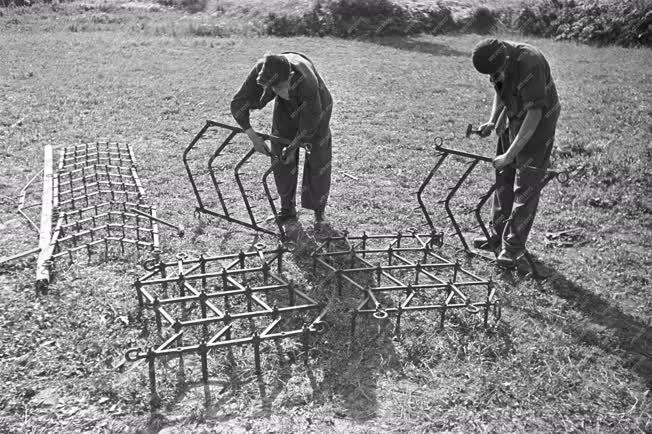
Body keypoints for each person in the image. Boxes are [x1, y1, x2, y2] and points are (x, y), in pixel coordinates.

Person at [471, 38, 561, 267]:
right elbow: (500, 88)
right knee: (504, 177)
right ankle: (497, 235)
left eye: (495, 73)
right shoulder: (496, 57)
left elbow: (534, 114)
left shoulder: (529, 62)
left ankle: (512, 248)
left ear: (506, 59)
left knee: (526, 187)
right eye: (488, 75)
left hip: (537, 126)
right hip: (514, 116)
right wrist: (493, 121)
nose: (492, 79)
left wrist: (510, 155)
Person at [230, 52, 333, 226]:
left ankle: (318, 212)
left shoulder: (307, 82)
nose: (281, 92)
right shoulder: (260, 73)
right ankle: (287, 211)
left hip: (317, 105)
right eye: (275, 89)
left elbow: (310, 121)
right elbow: (238, 104)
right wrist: (253, 137)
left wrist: (294, 146)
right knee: (281, 156)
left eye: (282, 87)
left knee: (318, 156)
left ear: (291, 77)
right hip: (286, 109)